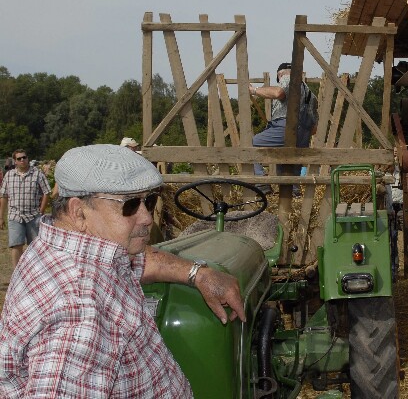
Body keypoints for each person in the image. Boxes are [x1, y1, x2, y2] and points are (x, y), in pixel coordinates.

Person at [0, 144, 247, 398]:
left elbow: (136, 261)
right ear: (79, 212)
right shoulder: (80, 311)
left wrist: (198, 273)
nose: (147, 218)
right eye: (130, 205)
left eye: (149, 201)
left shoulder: (60, 246)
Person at [250, 63, 314, 193]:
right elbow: (314, 129)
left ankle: (261, 182)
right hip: (304, 133)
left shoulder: (288, 77)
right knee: (287, 161)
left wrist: (254, 90)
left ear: (280, 74)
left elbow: (278, 92)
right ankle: (293, 192)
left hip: (287, 126)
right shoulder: (309, 93)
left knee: (251, 144)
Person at [0, 149, 51, 269]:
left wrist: (41, 211)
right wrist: (1, 217)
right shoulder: (9, 175)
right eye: (19, 158)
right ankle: (17, 274)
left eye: (24, 157)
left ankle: (35, 272)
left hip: (33, 216)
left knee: (35, 246)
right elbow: (4, 196)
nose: (22, 160)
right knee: (16, 245)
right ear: (15, 161)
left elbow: (47, 192)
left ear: (28, 158)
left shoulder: (37, 173)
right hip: (15, 216)